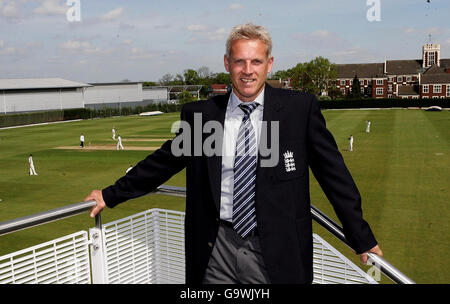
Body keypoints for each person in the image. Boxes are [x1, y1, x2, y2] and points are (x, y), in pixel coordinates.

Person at [85, 23, 382, 284]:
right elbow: (163, 162)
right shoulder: (202, 115)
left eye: (256, 61)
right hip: (216, 248)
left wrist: (362, 238)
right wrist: (110, 195)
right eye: (240, 61)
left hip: (275, 249)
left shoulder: (298, 110)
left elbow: (333, 175)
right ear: (227, 63)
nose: (248, 70)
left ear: (269, 64)